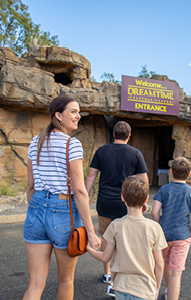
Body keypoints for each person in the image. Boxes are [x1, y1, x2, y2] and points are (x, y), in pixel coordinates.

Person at [23, 95, 101, 300]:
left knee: (35, 284)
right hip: (63, 210)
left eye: (78, 112)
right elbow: (80, 191)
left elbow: (30, 187)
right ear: (58, 115)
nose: (78, 116)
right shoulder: (71, 145)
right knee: (66, 280)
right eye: (73, 111)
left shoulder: (34, 142)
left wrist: (37, 209)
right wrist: (91, 232)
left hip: (36, 207)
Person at [85, 120, 148, 285]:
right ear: (129, 136)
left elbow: (91, 176)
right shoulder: (136, 153)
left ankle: (107, 274)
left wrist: (84, 197)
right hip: (126, 205)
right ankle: (120, 275)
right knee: (125, 241)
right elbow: (144, 181)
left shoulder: (101, 151)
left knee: (106, 239)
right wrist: (144, 201)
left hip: (105, 203)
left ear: (113, 134)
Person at [87, 175, 167, 300]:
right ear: (146, 199)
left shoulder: (115, 225)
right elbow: (160, 264)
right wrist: (156, 288)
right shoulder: (154, 228)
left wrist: (89, 249)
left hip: (121, 288)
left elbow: (105, 257)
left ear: (122, 197)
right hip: (145, 290)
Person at [151, 157, 191, 300]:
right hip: (182, 237)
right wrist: (190, 235)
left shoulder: (164, 189)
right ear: (189, 174)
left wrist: (160, 227)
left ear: (171, 172)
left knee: (166, 262)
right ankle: (171, 295)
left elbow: (154, 212)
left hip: (165, 235)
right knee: (176, 273)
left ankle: (167, 290)